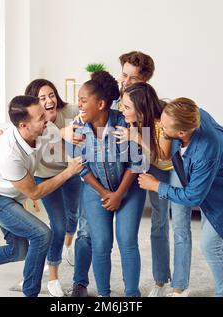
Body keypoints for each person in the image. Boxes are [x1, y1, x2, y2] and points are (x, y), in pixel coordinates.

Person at [0, 95, 83, 297]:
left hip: (12, 198)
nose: (46, 119)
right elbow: (34, 192)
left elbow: (64, 148)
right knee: (42, 234)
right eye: (40, 117)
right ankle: (30, 294)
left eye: (44, 113)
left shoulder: (44, 127)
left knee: (20, 251)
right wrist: (69, 172)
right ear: (24, 125)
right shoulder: (9, 153)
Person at [138, 97, 223, 297]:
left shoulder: (206, 151)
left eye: (165, 128)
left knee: (209, 244)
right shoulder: (192, 114)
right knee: (217, 229)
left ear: (181, 133)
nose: (162, 130)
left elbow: (192, 197)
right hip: (208, 180)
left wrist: (157, 186)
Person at [71, 71, 146, 297]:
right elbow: (81, 166)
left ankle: (132, 295)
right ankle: (104, 296)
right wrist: (105, 192)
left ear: (101, 104)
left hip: (129, 188)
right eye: (79, 100)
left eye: (84, 101)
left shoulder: (125, 122)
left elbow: (137, 163)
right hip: (95, 191)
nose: (79, 105)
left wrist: (119, 194)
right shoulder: (76, 127)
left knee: (127, 241)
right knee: (101, 244)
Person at [114, 82, 192, 297]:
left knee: (180, 227)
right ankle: (160, 280)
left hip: (177, 169)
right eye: (122, 105)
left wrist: (136, 137)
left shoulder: (163, 120)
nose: (122, 109)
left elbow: (165, 157)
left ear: (141, 109)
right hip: (155, 168)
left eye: (127, 107)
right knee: (158, 224)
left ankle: (179, 286)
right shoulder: (133, 120)